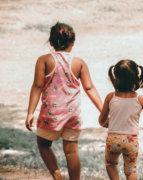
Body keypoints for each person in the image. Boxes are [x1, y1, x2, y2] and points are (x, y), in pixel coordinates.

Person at [25, 22, 103, 180]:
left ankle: (57, 176)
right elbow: (89, 88)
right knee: (71, 151)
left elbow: (38, 85)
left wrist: (30, 112)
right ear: (73, 42)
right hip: (72, 115)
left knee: (43, 144)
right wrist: (104, 110)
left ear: (51, 42)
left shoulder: (44, 60)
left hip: (50, 114)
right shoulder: (79, 63)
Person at [99, 59, 143, 180]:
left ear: (116, 77)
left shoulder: (110, 97)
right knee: (131, 170)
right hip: (131, 140)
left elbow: (101, 120)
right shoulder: (140, 99)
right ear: (136, 78)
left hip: (113, 139)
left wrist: (107, 123)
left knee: (111, 164)